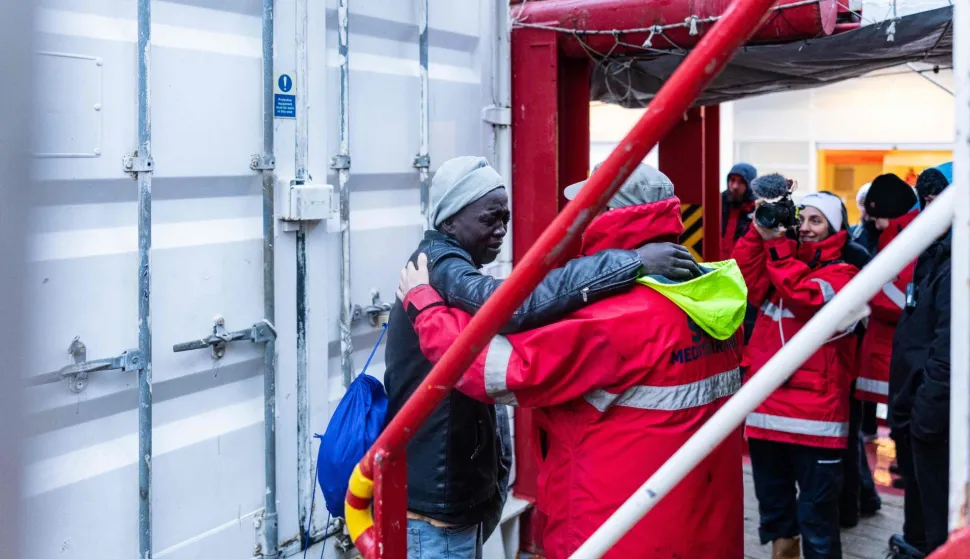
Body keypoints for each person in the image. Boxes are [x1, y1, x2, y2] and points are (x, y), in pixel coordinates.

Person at [398, 163, 747, 559]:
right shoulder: (714, 298)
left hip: (619, 529)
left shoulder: (617, 317)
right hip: (705, 527)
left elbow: (497, 369)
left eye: (589, 207)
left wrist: (427, 311)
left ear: (608, 216)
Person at [733, 178, 861, 559]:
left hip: (816, 423)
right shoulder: (780, 265)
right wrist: (760, 228)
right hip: (768, 415)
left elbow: (805, 298)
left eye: (817, 221)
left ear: (836, 230)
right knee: (776, 518)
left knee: (817, 522)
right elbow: (744, 271)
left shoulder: (847, 275)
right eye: (801, 218)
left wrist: (776, 246)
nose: (805, 226)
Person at [887, 164, 952, 559]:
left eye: (939, 200)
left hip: (935, 421)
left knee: (938, 525)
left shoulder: (958, 264)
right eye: (926, 202)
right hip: (918, 413)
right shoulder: (937, 253)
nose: (930, 210)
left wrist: (926, 415)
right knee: (922, 520)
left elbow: (950, 348)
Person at [856, 174, 919, 405]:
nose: (874, 223)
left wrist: (864, 293)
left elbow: (900, 302)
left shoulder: (907, 244)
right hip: (887, 355)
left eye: (877, 217)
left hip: (892, 357)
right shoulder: (895, 240)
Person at [721, 162, 758, 258]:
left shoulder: (757, 210)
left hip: (741, 269)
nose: (735, 186)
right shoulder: (716, 204)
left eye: (741, 182)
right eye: (732, 180)